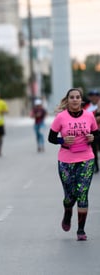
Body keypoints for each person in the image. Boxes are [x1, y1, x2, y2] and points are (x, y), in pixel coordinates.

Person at [48, 88, 99, 241]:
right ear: (68, 100)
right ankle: (68, 211)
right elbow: (51, 138)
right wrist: (62, 140)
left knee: (82, 193)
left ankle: (81, 230)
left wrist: (92, 138)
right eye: (72, 97)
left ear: (81, 100)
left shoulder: (89, 116)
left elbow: (96, 134)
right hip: (66, 161)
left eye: (78, 97)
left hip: (86, 159)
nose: (75, 99)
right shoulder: (61, 118)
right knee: (70, 196)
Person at [83, 89, 100, 172]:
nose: (94, 97)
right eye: (92, 96)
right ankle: (95, 166)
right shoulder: (86, 106)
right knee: (93, 150)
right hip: (91, 132)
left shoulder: (99, 105)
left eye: (96, 96)